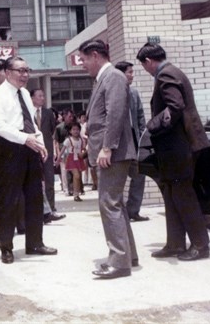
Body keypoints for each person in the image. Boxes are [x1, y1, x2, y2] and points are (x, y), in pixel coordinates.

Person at [136, 42, 210, 261]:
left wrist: (152, 124)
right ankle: (176, 244)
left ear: (148, 61)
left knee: (182, 194)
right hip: (177, 146)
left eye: (144, 66)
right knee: (172, 194)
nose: (146, 70)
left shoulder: (166, 74)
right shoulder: (172, 72)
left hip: (179, 146)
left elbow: (175, 106)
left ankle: (200, 245)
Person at [0, 56, 57, 264]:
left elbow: (32, 123)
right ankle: (6, 247)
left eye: (27, 70)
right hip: (10, 149)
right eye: (20, 71)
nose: (25, 75)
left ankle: (35, 243)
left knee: (35, 197)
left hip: (30, 147)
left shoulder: (25, 94)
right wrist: (24, 139)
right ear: (8, 73)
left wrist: (40, 143)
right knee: (9, 200)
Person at [79, 40, 138, 280]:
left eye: (84, 59)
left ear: (95, 55)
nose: (83, 64)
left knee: (109, 204)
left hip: (113, 153)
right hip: (110, 152)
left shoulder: (113, 76)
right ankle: (128, 256)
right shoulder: (105, 78)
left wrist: (107, 147)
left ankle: (119, 262)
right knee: (116, 204)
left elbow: (115, 114)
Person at [115, 61, 149, 222]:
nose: (132, 75)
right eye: (129, 72)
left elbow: (140, 117)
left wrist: (143, 138)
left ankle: (133, 210)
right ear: (121, 74)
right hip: (118, 145)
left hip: (134, 143)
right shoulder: (112, 92)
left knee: (139, 176)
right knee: (118, 180)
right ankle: (119, 214)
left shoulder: (134, 93)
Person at [30, 88, 65, 219]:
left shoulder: (48, 113)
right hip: (33, 151)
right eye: (39, 96)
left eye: (43, 96)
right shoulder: (27, 112)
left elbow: (51, 130)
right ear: (32, 98)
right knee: (34, 182)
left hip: (47, 152)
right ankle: (38, 211)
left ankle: (51, 209)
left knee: (49, 181)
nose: (42, 98)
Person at [58, 122, 87, 202]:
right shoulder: (68, 140)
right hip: (71, 159)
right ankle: (75, 194)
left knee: (78, 177)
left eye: (77, 129)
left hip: (79, 159)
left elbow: (84, 149)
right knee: (76, 175)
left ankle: (77, 193)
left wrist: (83, 153)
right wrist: (58, 159)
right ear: (70, 131)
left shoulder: (81, 140)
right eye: (73, 129)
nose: (75, 131)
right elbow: (62, 150)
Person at [54, 109, 75, 196]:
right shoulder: (59, 128)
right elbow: (56, 142)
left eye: (72, 116)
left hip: (73, 151)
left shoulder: (74, 126)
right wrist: (58, 153)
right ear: (64, 116)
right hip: (63, 152)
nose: (71, 118)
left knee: (74, 170)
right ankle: (66, 189)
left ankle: (74, 188)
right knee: (64, 171)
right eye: (69, 116)